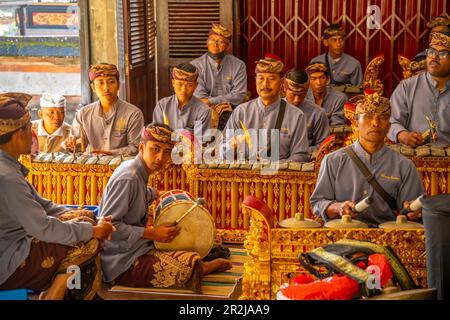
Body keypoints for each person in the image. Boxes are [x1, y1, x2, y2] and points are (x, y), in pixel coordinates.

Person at [0, 92, 115, 300]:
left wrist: (83, 216)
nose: (33, 134)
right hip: (8, 261)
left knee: (85, 221)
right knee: (87, 241)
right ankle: (55, 294)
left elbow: (43, 205)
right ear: (19, 134)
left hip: (15, 242)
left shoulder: (8, 166)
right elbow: (43, 228)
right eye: (30, 129)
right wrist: (95, 231)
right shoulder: (7, 177)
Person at [98, 123, 232, 290]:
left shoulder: (136, 173)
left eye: (167, 151)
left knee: (196, 246)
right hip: (121, 262)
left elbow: (138, 194)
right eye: (155, 149)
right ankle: (202, 268)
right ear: (141, 147)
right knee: (189, 262)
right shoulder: (128, 177)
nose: (161, 157)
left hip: (135, 249)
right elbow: (109, 227)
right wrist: (152, 233)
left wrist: (157, 193)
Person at [310, 90, 425, 227]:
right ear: (356, 124)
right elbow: (317, 203)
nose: (375, 123)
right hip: (343, 235)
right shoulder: (333, 160)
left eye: (382, 117)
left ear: (388, 127)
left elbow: (413, 210)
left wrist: (415, 212)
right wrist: (338, 207)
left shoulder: (404, 165)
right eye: (368, 116)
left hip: (385, 237)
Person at [223, 54, 310, 162]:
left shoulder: (296, 116)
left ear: (282, 82)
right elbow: (220, 151)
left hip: (279, 176)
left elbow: (300, 156)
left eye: (271, 79)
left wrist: (274, 165)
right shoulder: (241, 112)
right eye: (260, 78)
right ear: (255, 80)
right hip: (245, 175)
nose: (265, 84)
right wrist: (231, 146)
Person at [63, 63, 145, 155]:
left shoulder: (133, 113)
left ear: (118, 85)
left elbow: (136, 148)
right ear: (93, 87)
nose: (106, 88)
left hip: (121, 167)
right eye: (100, 83)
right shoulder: (83, 114)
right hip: (90, 167)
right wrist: (71, 145)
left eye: (111, 82)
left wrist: (109, 153)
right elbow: (77, 146)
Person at [388, 31, 450, 146]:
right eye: (431, 52)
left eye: (442, 54)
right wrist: (403, 135)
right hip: (412, 158)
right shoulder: (407, 87)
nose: (434, 57)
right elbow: (390, 120)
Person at [191, 23, 247, 108]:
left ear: (228, 46)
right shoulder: (195, 65)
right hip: (203, 111)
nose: (215, 44)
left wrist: (211, 101)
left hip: (231, 111)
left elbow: (239, 96)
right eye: (212, 40)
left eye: (221, 41)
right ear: (206, 43)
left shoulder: (239, 65)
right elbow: (200, 98)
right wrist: (225, 99)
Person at [152, 63, 211, 134]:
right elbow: (156, 134)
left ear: (195, 86)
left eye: (189, 85)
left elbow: (199, 141)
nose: (183, 90)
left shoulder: (203, 111)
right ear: (173, 83)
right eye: (180, 84)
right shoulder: (162, 105)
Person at [283, 68, 330, 151]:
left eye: (301, 94)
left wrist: (301, 152)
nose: (296, 100)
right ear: (284, 89)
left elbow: (323, 145)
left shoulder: (318, 113)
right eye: (293, 94)